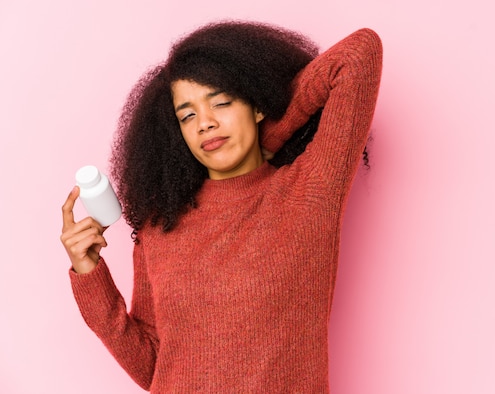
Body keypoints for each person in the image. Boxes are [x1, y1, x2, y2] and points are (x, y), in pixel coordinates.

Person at [60, 20, 382, 393]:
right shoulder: (161, 223)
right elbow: (154, 368)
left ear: (257, 105)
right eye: (188, 115)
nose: (206, 124)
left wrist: (271, 136)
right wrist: (90, 274)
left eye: (222, 102)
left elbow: (359, 55)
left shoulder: (308, 192)